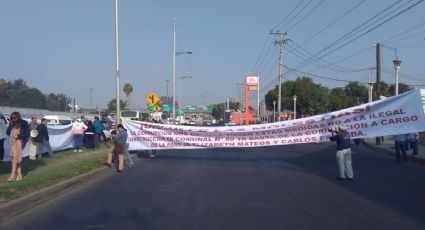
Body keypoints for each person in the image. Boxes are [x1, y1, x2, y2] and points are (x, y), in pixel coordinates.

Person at [6, 112, 29, 182]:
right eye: (12, 117)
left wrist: (18, 136)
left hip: (20, 141)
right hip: (12, 142)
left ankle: (13, 175)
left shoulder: (24, 123)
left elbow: (26, 133)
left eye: (14, 117)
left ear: (18, 117)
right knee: (16, 157)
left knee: (14, 157)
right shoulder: (12, 123)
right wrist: (10, 124)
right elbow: (8, 132)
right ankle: (19, 173)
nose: (13, 119)